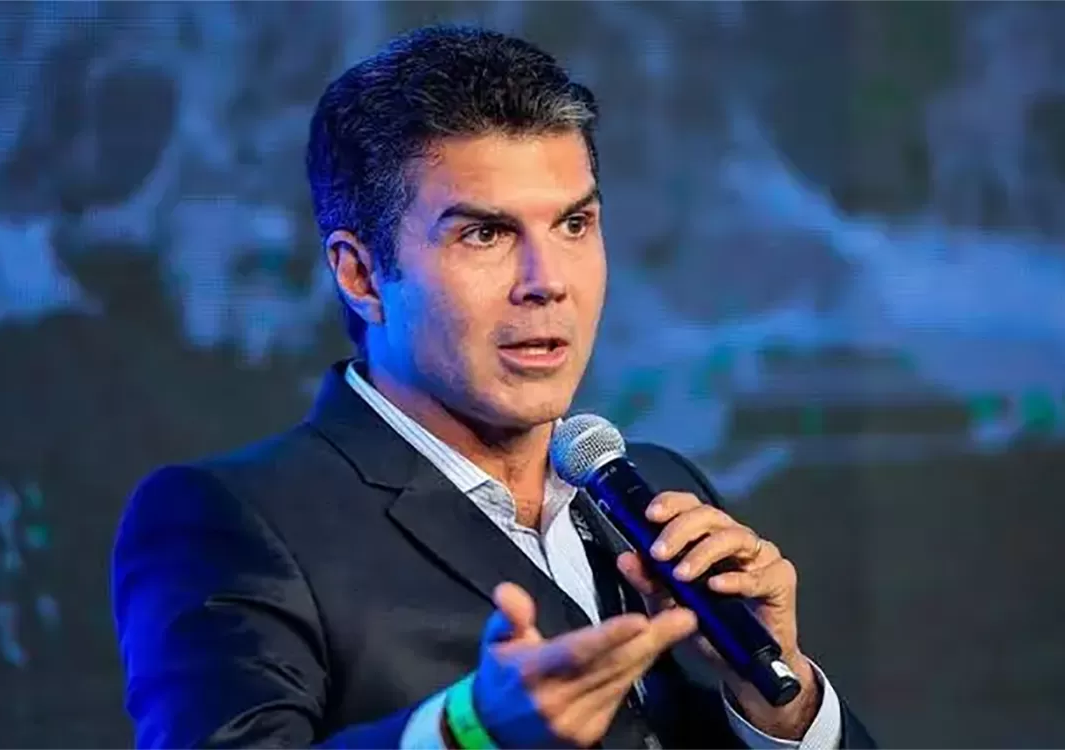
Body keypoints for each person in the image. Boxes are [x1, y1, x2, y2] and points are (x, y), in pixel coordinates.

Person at [112, 25, 875, 749]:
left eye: (573, 225)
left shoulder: (660, 491)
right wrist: (466, 731)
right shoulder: (232, 519)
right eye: (484, 234)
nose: (547, 282)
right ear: (361, 274)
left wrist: (779, 698)